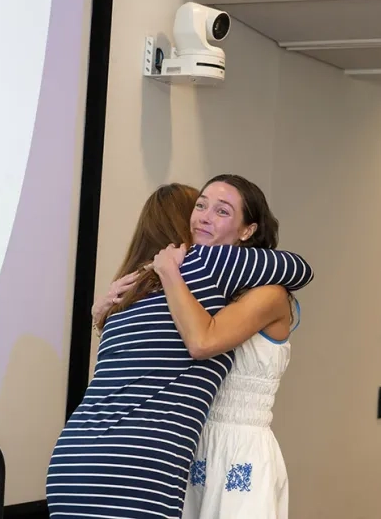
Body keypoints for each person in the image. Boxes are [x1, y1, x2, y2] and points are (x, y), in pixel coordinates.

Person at [46, 179, 313, 519]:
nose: (204, 217)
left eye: (221, 211)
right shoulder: (182, 279)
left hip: (227, 450)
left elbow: (200, 342)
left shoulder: (170, 281)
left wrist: (114, 307)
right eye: (199, 206)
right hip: (173, 453)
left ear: (248, 230)